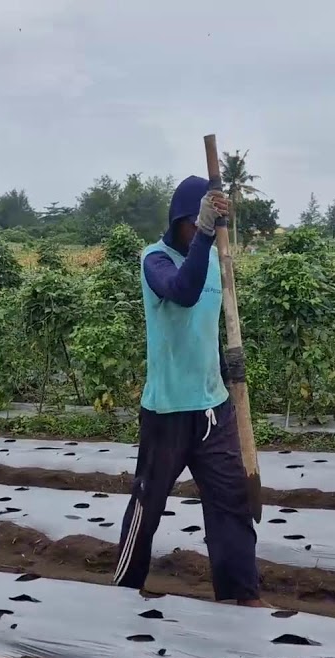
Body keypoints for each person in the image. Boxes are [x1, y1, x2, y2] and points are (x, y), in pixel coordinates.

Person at [112, 175, 264, 607]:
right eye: (194, 221)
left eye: (211, 220)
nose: (200, 228)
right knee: (149, 501)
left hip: (214, 408)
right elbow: (184, 291)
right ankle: (125, 587)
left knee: (230, 502)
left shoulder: (218, 261)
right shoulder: (154, 260)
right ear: (180, 220)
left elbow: (207, 326)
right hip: (167, 412)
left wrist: (226, 366)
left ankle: (240, 595)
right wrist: (202, 233)